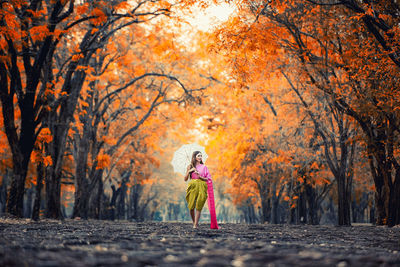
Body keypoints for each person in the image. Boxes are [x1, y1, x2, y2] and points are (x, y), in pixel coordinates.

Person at [184, 151, 211, 229]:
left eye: (201, 156)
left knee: (199, 205)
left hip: (202, 185)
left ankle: (195, 224)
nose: (200, 157)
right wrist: (189, 171)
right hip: (192, 186)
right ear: (194, 157)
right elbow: (185, 179)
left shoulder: (204, 167)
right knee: (191, 206)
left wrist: (200, 176)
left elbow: (208, 179)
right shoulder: (190, 166)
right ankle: (194, 222)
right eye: (198, 156)